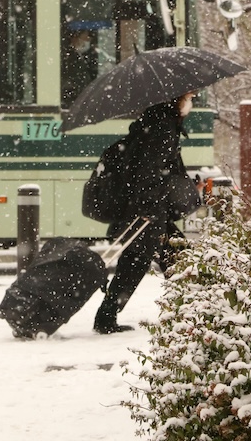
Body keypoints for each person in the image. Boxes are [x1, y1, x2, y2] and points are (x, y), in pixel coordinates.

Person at [93, 92, 199, 334]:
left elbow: (158, 169)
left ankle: (193, 310)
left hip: (147, 207)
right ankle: (106, 318)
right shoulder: (162, 127)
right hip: (147, 209)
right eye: (190, 96)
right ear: (177, 100)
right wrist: (149, 206)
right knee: (142, 262)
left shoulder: (158, 122)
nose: (192, 100)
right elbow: (149, 170)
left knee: (170, 256)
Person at [61, 29, 98, 108]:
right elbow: (73, 81)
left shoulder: (78, 56)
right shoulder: (69, 58)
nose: (88, 40)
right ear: (75, 38)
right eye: (85, 37)